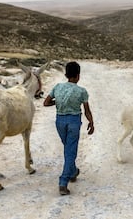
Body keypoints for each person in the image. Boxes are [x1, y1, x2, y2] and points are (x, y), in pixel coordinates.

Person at [43, 61, 94, 195]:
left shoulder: (58, 87)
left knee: (68, 149)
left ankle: (72, 172)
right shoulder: (82, 91)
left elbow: (46, 103)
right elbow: (87, 110)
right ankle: (63, 182)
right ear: (78, 75)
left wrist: (58, 102)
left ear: (66, 74)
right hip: (74, 121)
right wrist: (91, 122)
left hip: (59, 121)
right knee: (70, 151)